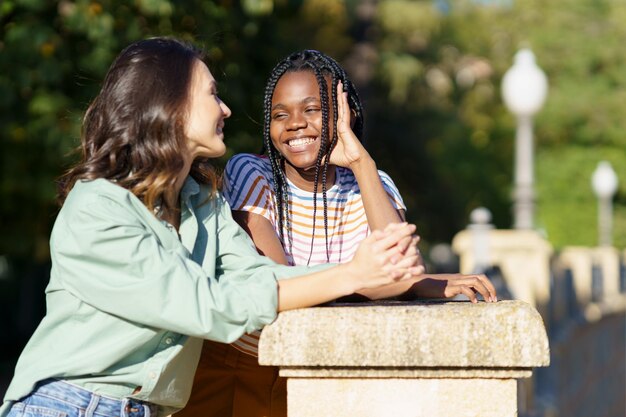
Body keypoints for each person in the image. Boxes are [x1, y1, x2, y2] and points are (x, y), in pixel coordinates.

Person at [0, 39, 424, 417]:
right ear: (169, 104)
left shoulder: (201, 203)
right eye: (212, 94)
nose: (226, 109)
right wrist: (353, 275)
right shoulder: (99, 208)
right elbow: (204, 303)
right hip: (69, 403)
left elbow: (260, 276)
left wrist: (374, 275)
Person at [180, 50, 497, 417]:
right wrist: (412, 283)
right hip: (236, 365)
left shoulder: (373, 185)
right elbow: (280, 287)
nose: (295, 124)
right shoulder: (252, 173)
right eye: (280, 114)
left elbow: (402, 269)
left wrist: (362, 164)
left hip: (320, 370)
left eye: (312, 109)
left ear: (345, 113)